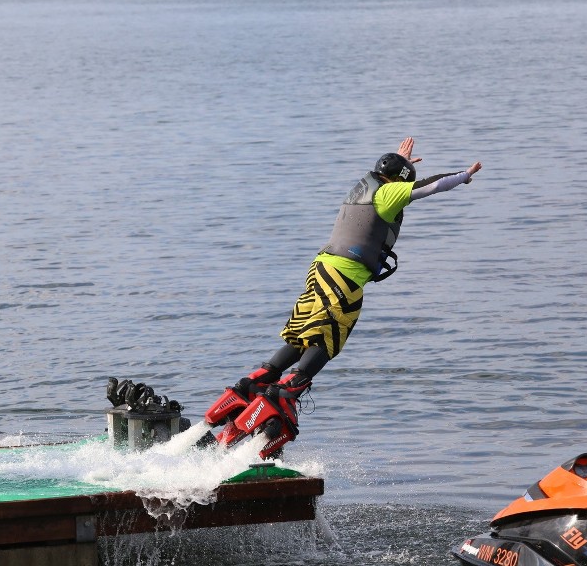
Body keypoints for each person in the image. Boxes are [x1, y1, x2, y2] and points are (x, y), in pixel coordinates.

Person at [203, 138, 482, 458]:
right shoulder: (389, 193)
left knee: (305, 337)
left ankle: (256, 382)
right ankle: (284, 395)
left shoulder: (365, 186)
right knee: (328, 338)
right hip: (345, 276)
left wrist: (399, 161)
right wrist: (464, 175)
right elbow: (431, 186)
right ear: (398, 181)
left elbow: (396, 175)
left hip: (320, 269)